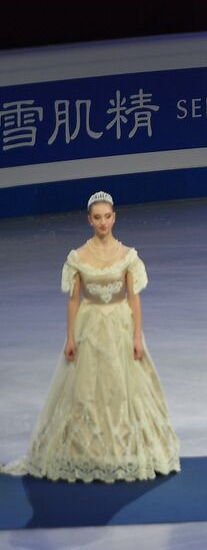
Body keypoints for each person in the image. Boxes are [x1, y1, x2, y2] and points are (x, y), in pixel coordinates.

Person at [2, 192, 180, 482]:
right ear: (89, 220)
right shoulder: (77, 257)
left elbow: (134, 300)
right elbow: (73, 301)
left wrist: (137, 337)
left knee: (122, 390)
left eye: (107, 216)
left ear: (114, 217)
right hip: (89, 327)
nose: (102, 222)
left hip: (121, 327)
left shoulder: (128, 256)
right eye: (97, 217)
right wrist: (70, 338)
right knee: (85, 390)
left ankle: (125, 453)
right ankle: (88, 453)